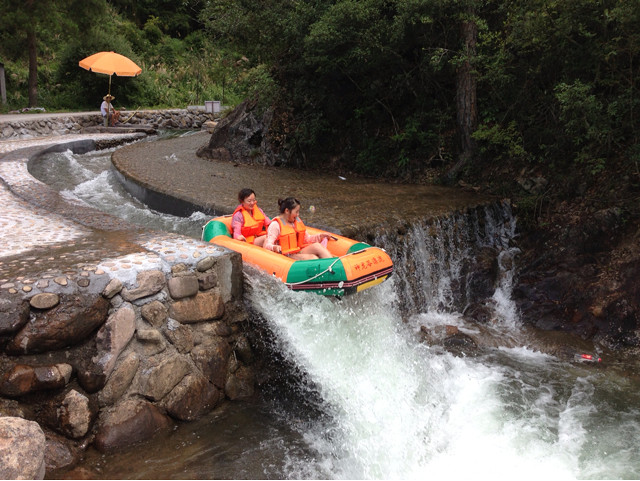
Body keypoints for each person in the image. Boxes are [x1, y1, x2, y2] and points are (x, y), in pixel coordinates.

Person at [264, 197, 333, 260]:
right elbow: (267, 245)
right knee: (313, 257)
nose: (298, 214)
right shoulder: (275, 225)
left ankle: (334, 265)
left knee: (317, 246)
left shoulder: (295, 222)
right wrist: (274, 247)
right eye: (296, 212)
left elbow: (307, 239)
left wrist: (320, 236)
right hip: (285, 256)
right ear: (287, 211)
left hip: (297, 251)